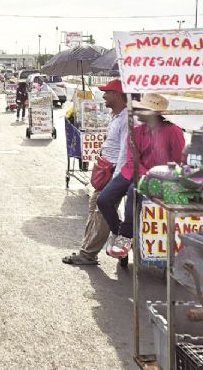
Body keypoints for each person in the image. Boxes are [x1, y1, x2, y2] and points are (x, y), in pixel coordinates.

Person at [105, 93, 185, 259]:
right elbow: (132, 159)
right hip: (133, 171)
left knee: (134, 191)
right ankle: (117, 231)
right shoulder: (136, 131)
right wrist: (144, 175)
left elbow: (179, 162)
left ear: (154, 114)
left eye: (142, 109)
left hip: (161, 178)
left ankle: (126, 236)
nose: (138, 112)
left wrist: (154, 176)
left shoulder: (173, 131)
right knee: (103, 199)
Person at [64, 79, 129, 266]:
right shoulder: (116, 116)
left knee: (101, 211)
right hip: (106, 169)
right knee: (96, 208)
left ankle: (88, 253)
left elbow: (125, 152)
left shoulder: (125, 119)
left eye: (107, 92)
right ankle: (116, 241)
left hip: (115, 172)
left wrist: (117, 179)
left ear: (117, 95)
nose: (104, 96)